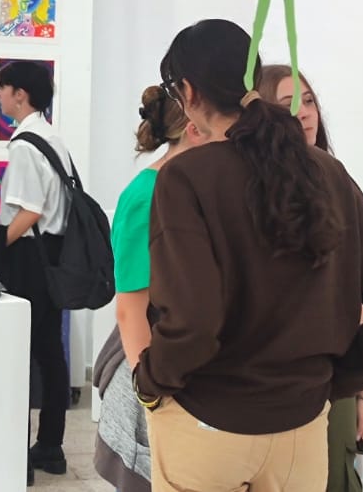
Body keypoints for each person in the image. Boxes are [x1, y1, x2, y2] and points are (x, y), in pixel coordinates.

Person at [137, 20, 363, 492]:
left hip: (209, 423)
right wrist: (330, 380)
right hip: (301, 431)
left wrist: (149, 382)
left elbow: (193, 322)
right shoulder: (328, 173)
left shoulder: (186, 178)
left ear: (188, 92)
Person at [258, 65, 363, 492]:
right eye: (288, 104)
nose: (304, 112)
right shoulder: (250, 192)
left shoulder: (338, 185)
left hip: (332, 380)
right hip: (267, 389)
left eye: (308, 101)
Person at [96, 85, 206, 492]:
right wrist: (153, 393)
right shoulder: (147, 195)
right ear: (194, 129)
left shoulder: (195, 187)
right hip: (156, 375)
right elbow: (131, 308)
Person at [0, 59, 73, 481]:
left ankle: (17, 460)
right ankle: (51, 446)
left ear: (19, 94)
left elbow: (30, 212)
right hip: (55, 254)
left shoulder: (24, 145)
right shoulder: (52, 138)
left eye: (2, 87)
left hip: (30, 255)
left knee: (19, 354)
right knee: (49, 351)